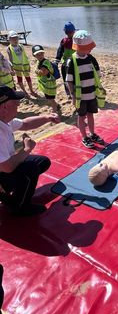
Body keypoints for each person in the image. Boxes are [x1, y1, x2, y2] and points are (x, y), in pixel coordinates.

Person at [0, 85, 60, 216]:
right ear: (5, 107)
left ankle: (13, 194)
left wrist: (46, 118)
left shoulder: (4, 121)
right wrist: (26, 149)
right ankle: (19, 207)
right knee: (30, 169)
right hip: (4, 169)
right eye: (15, 102)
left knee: (41, 162)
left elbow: (25, 124)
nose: (18, 105)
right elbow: (7, 167)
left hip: (3, 168)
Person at [66, 30, 106, 149]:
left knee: (91, 115)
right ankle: (84, 137)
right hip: (80, 97)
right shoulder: (71, 62)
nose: (91, 49)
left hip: (92, 94)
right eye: (88, 47)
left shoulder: (91, 59)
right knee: (81, 117)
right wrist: (73, 96)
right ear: (80, 47)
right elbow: (69, 80)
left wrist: (100, 89)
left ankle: (92, 134)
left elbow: (97, 76)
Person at [6, 30, 37, 98]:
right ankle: (25, 92)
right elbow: (10, 59)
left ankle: (31, 90)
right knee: (19, 79)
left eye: (16, 38)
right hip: (17, 67)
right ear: (9, 40)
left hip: (25, 65)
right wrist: (11, 69)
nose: (15, 40)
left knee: (28, 78)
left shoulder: (21, 46)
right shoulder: (9, 48)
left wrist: (28, 65)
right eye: (13, 38)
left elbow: (25, 56)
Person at [32, 45, 59, 113]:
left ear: (44, 53)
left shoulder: (46, 62)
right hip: (46, 85)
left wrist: (36, 71)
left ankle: (54, 111)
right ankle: (56, 105)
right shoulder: (39, 62)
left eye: (41, 53)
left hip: (50, 86)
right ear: (34, 55)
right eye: (37, 54)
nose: (40, 56)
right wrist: (37, 71)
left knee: (51, 99)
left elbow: (43, 73)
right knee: (49, 98)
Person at [55, 21, 76, 97]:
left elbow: (59, 52)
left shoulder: (64, 40)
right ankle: (70, 92)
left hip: (68, 63)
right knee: (70, 78)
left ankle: (69, 92)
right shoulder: (74, 40)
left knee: (67, 78)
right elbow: (60, 51)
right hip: (71, 63)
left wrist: (57, 61)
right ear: (73, 31)